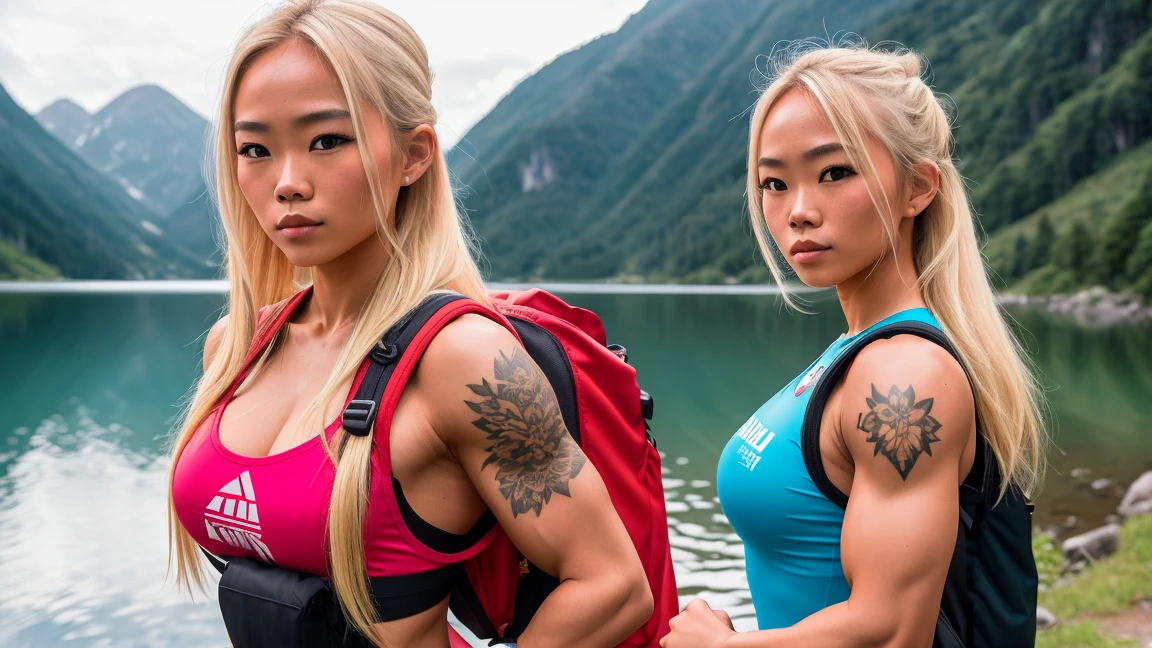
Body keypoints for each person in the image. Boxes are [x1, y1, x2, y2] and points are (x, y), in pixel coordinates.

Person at [166, 1, 652, 646]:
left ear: (413, 154)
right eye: (255, 149)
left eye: (326, 140)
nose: (285, 182)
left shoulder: (463, 360)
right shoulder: (236, 348)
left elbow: (613, 586)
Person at [662, 45, 1046, 648]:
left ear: (917, 188)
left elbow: (890, 630)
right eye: (774, 183)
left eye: (834, 172)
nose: (799, 211)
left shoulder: (906, 375)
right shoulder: (856, 352)